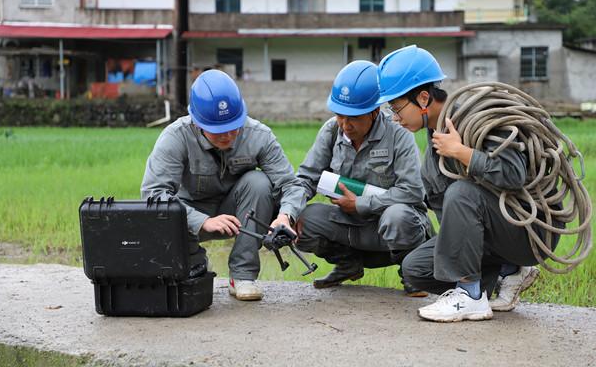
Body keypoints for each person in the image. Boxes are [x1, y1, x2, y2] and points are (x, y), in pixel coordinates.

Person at [376, 45, 559, 322]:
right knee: (416, 268)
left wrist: (463, 153)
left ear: (423, 98)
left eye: (397, 107)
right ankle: (506, 273)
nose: (395, 117)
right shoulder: (433, 150)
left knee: (462, 192)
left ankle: (470, 295)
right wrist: (460, 257)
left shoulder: (478, 119)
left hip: (531, 231)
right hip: (494, 239)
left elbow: (514, 174)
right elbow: (447, 215)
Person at [141, 69, 305, 301]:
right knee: (168, 235)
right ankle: (195, 264)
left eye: (234, 127)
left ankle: (242, 275)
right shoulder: (175, 137)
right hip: (188, 216)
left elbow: (290, 184)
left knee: (258, 182)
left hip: (239, 213)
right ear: (197, 123)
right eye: (218, 131)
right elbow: (153, 195)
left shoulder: (259, 135)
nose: (228, 136)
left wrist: (285, 217)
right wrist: (203, 222)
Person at [295, 60, 432, 295]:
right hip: (350, 224)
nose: (345, 125)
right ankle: (348, 264)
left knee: (397, 215)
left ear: (375, 111)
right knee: (304, 220)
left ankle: (411, 274)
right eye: (340, 115)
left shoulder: (399, 133)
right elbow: (307, 178)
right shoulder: (331, 130)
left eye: (354, 117)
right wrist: (286, 212)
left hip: (392, 224)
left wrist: (361, 204)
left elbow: (413, 191)